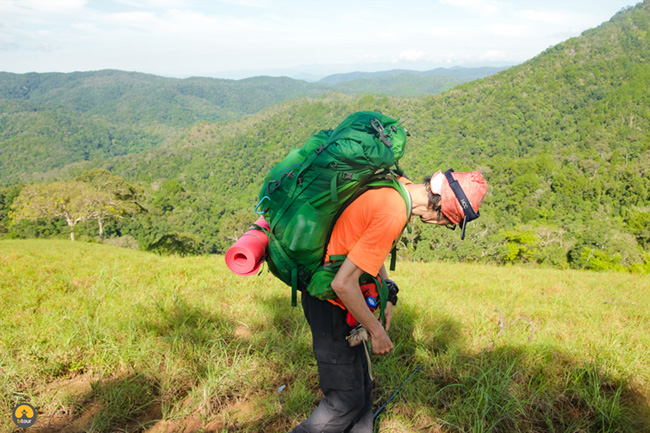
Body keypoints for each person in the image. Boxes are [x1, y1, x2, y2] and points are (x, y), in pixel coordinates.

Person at [290, 170, 488, 432]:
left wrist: (387, 291)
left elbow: (368, 248)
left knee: (362, 388)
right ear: (439, 205)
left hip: (345, 303)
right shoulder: (393, 213)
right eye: (450, 221)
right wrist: (377, 332)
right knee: (344, 401)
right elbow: (342, 283)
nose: (443, 225)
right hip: (331, 305)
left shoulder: (399, 188)